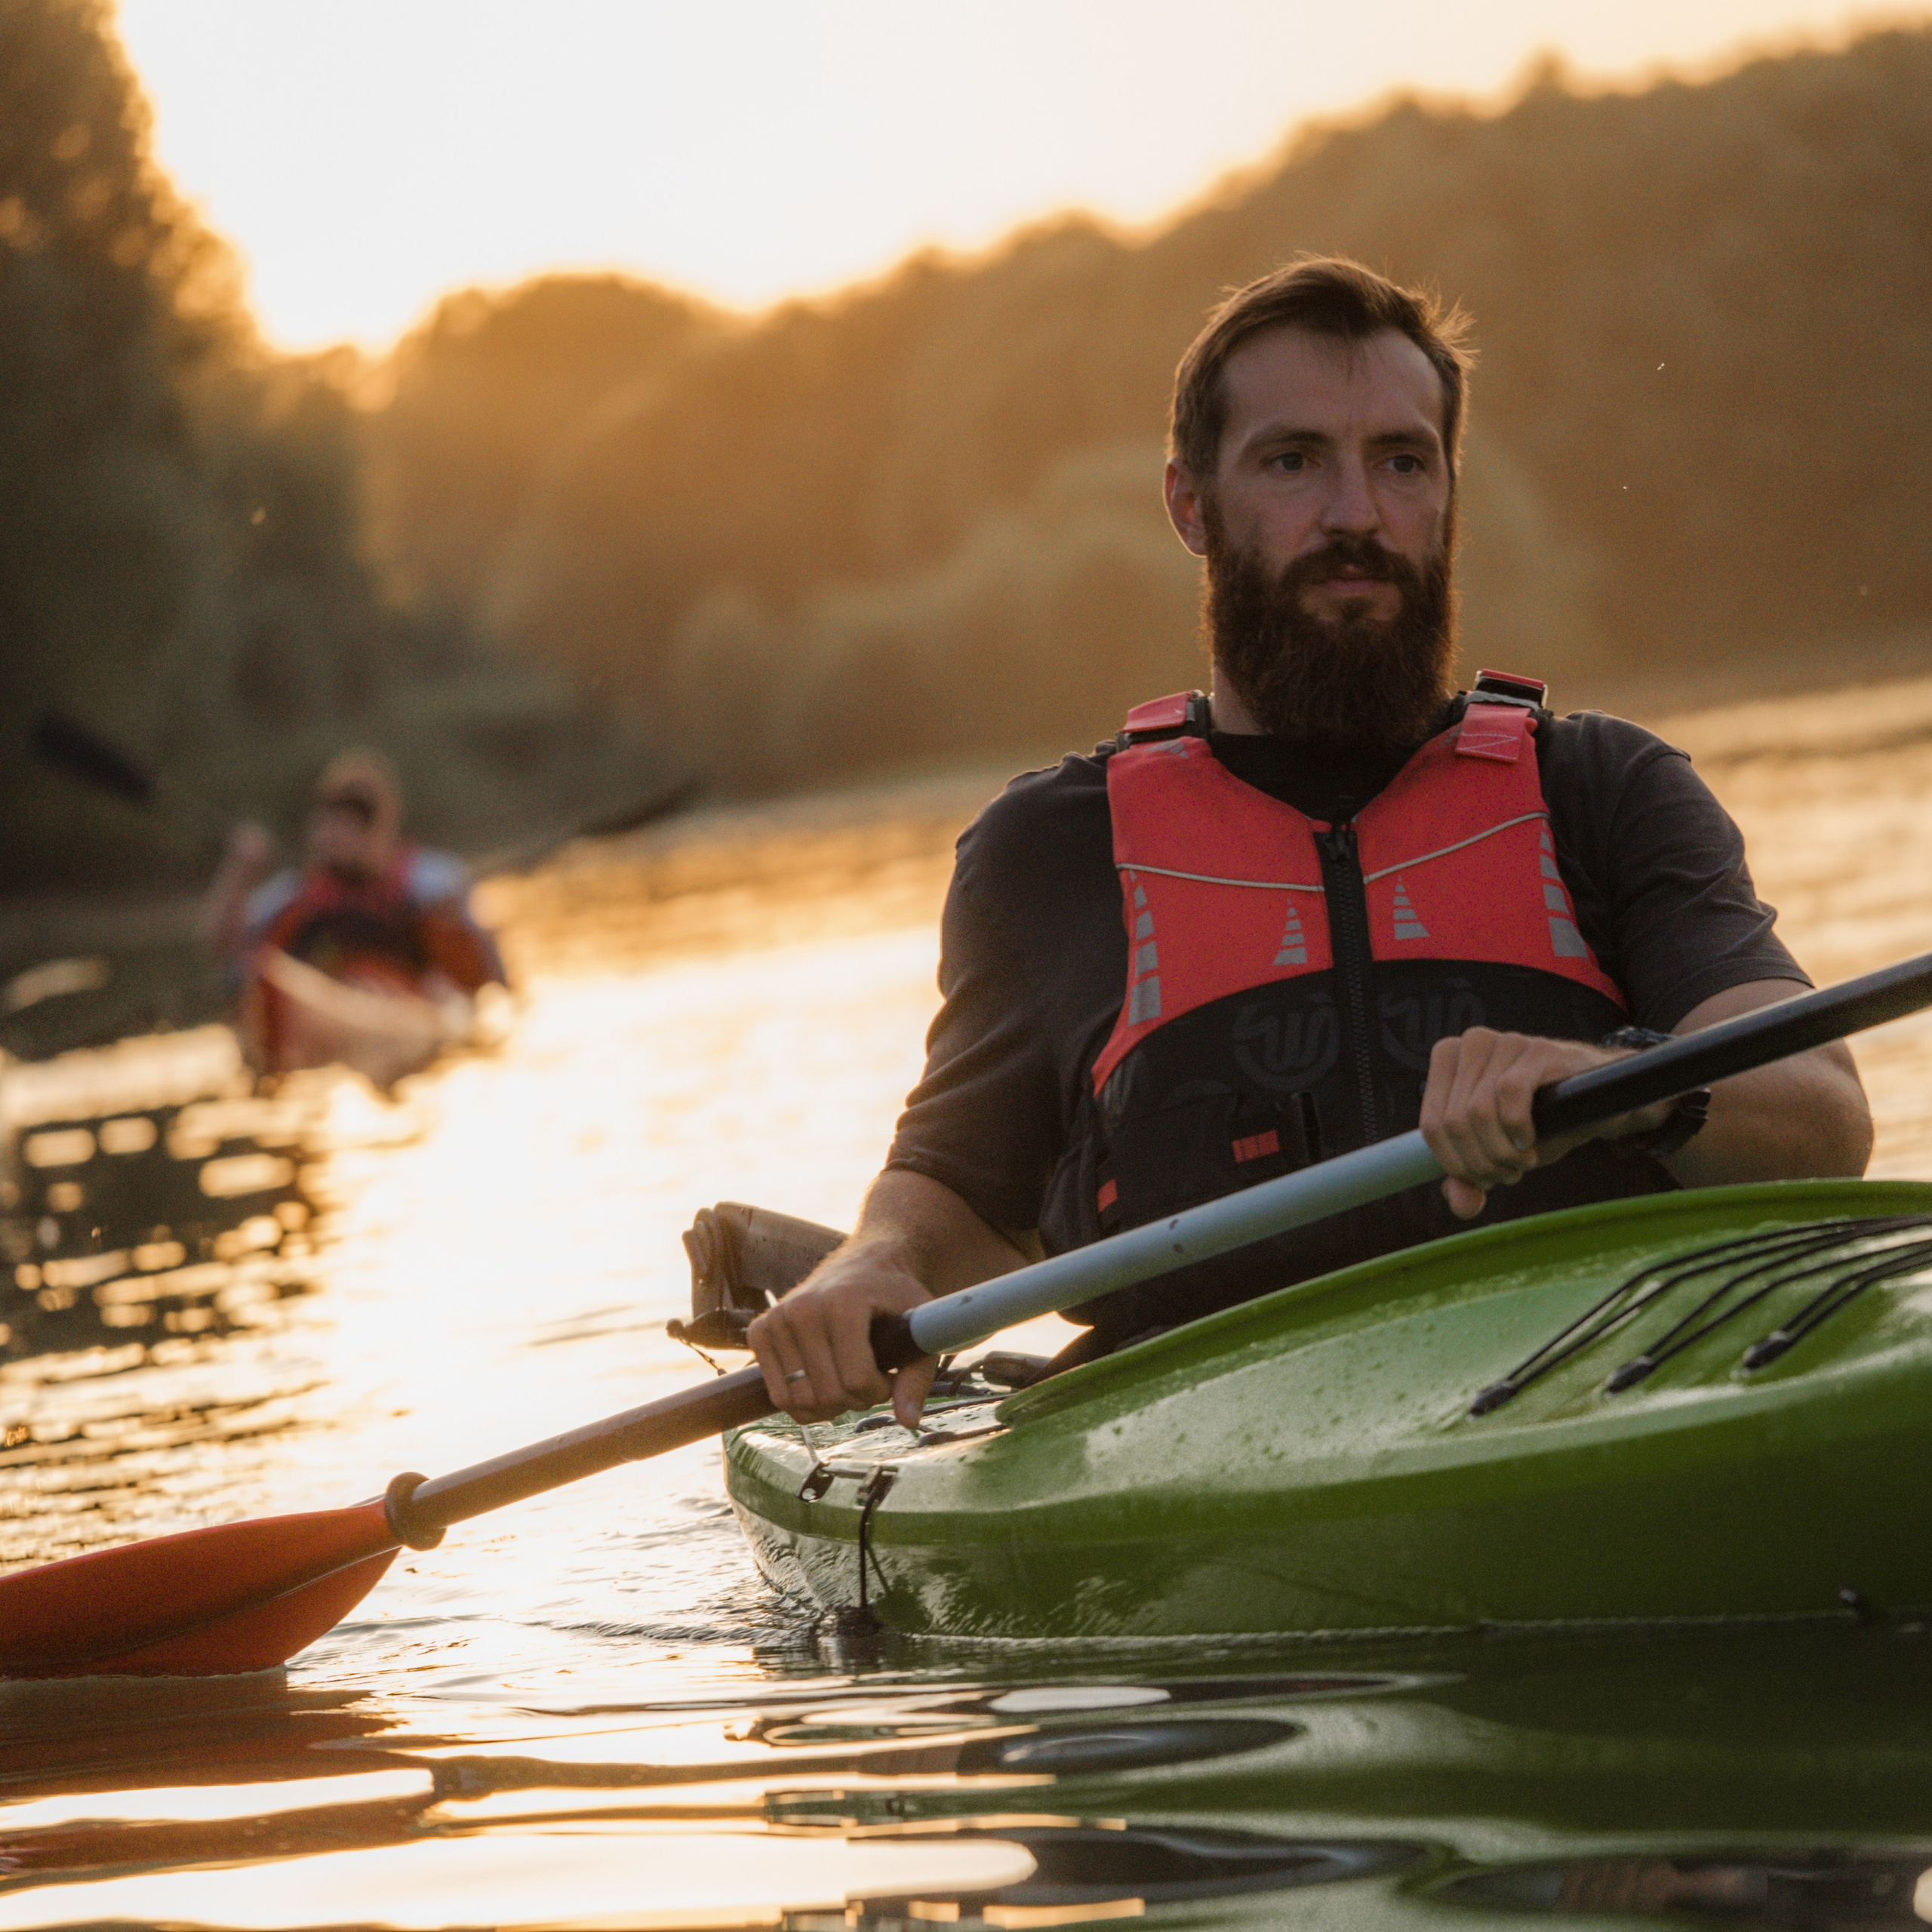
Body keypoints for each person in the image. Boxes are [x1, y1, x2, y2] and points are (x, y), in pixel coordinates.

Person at [749, 257, 1873, 1429]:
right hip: (1200, 1437)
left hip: (1608, 1382)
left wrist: (1624, 1085)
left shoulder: (1604, 787)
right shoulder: (1050, 852)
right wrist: (872, 1266)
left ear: (1448, 494)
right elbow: (959, 1198)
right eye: (1293, 463)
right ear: (1192, 506)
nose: (1357, 515)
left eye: (1402, 461)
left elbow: (1822, 1116)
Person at [205, 750, 507, 1075]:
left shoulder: (433, 881)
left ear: (383, 826)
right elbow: (223, 945)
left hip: (411, 999)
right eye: (331, 823)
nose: (336, 836)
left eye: (353, 824)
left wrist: (457, 929)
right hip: (328, 999)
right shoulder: (295, 893)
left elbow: (492, 975)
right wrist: (238, 873)